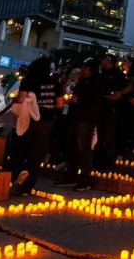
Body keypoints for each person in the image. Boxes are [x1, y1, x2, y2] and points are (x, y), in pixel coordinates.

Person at [11, 57, 57, 195]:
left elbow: (20, 98)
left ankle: (20, 174)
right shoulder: (54, 82)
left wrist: (14, 99)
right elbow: (60, 104)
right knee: (36, 156)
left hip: (29, 121)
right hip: (47, 121)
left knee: (21, 150)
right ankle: (27, 188)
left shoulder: (29, 80)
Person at [63, 58, 102, 191]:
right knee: (73, 146)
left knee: (83, 148)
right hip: (75, 117)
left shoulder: (96, 81)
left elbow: (94, 99)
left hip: (86, 119)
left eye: (85, 67)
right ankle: (71, 177)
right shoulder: (81, 81)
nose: (82, 69)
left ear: (90, 68)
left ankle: (85, 180)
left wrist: (78, 99)